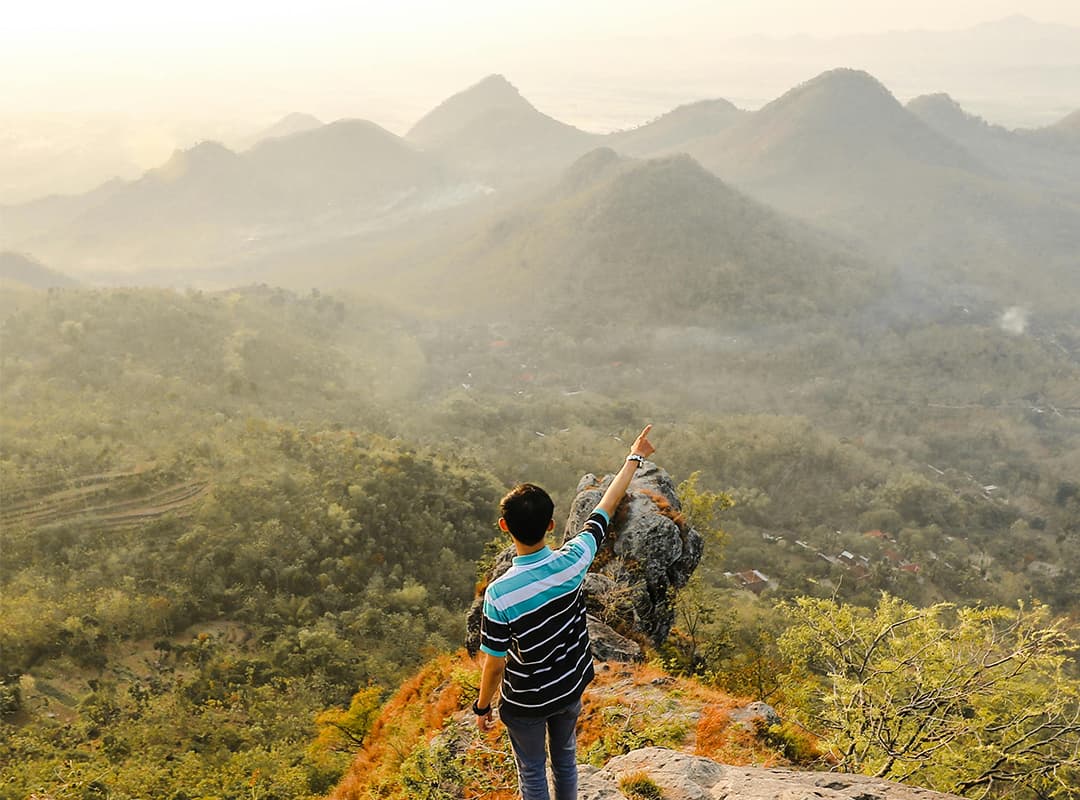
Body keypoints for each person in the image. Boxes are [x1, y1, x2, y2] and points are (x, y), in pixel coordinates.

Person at [473, 424, 656, 800]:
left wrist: (482, 707)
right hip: (570, 686)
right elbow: (605, 507)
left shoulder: (500, 594)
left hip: (526, 700)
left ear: (504, 527)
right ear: (552, 526)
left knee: (531, 771)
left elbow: (494, 664)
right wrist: (633, 458)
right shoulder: (574, 560)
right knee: (566, 760)